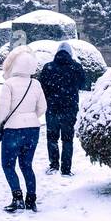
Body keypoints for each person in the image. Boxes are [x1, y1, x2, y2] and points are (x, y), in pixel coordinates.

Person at [0, 49, 47, 212]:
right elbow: (42, 108)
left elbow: (2, 113)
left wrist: (4, 121)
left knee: (8, 165)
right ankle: (31, 199)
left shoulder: (9, 84)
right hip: (32, 129)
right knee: (27, 165)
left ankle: (17, 197)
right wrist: (31, 116)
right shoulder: (36, 84)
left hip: (13, 130)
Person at [37, 42, 85, 176]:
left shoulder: (48, 67)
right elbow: (83, 84)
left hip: (52, 108)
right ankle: (66, 169)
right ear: (70, 54)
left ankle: (53, 165)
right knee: (67, 139)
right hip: (69, 108)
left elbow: (42, 88)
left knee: (52, 138)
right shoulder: (75, 67)